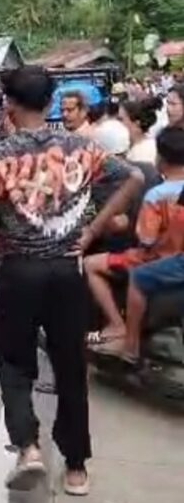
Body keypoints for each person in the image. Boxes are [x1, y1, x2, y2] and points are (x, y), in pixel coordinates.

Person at [0, 66, 144, 496]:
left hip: (20, 272)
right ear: (49, 104)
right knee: (70, 365)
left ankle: (28, 448)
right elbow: (133, 179)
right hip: (67, 271)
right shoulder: (82, 146)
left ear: (8, 105)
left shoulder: (0, 155)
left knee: (14, 362)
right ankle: (77, 467)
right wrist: (93, 229)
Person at [87, 126, 184, 359]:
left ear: (161, 158)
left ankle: (124, 334)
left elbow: (146, 239)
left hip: (158, 257)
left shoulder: (157, 195)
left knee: (91, 264)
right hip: (175, 256)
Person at [121, 97, 160, 165]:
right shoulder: (130, 145)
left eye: (121, 119)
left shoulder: (141, 154)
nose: (116, 123)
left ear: (136, 123)